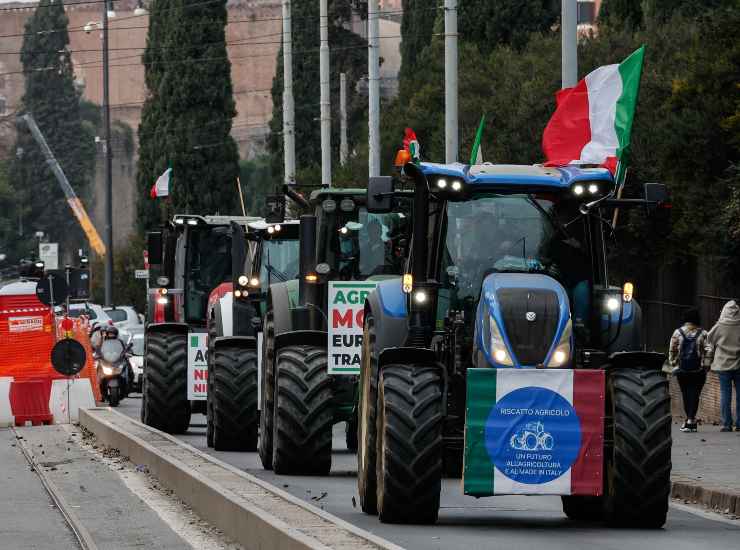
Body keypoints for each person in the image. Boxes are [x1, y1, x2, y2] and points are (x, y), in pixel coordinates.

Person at [669, 309, 710, 432]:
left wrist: (673, 363)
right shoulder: (703, 333)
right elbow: (709, 349)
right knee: (695, 395)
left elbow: (672, 349)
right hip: (699, 370)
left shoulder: (678, 332)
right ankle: (691, 419)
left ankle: (689, 420)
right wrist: (706, 365)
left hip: (683, 369)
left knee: (686, 394)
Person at [707, 299, 740, 432]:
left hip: (722, 365)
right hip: (738, 364)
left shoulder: (720, 325)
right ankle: (739, 424)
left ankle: (727, 424)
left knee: (725, 394)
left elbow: (709, 338)